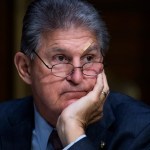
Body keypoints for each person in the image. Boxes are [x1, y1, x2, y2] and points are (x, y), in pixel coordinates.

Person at [0, 0, 150, 149]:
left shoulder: (141, 129)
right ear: (25, 68)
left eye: (89, 58)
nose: (77, 78)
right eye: (61, 58)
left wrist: (74, 135)